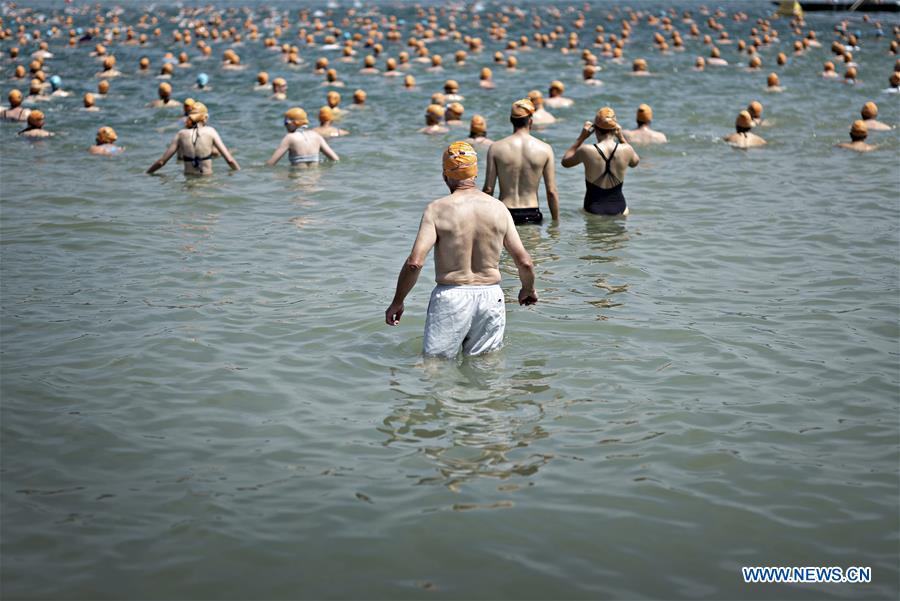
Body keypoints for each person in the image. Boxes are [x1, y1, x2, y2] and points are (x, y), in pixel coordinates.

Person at [384, 141, 537, 359]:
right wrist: (528, 289)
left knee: (436, 366)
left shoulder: (437, 209)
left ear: (445, 174)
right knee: (485, 367)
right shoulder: (499, 208)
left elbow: (414, 263)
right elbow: (525, 262)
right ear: (475, 173)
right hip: (491, 296)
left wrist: (398, 301)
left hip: (451, 295)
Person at [483, 99, 559, 224]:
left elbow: (488, 189)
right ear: (530, 120)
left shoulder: (496, 148)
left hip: (505, 212)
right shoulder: (545, 149)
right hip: (532, 212)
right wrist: (556, 223)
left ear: (511, 120)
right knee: (532, 244)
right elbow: (551, 191)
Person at [561, 107, 639, 216]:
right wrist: (621, 138)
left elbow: (565, 162)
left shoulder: (586, 150)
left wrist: (581, 137)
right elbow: (635, 162)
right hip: (620, 208)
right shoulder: (626, 149)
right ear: (615, 129)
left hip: (593, 209)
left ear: (595, 130)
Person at [146, 102, 240, 175]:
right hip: (207, 180)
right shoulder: (211, 131)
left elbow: (161, 162)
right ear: (205, 118)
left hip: (189, 182)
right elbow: (230, 160)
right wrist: (240, 172)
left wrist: (146, 173)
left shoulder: (181, 134)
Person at [267, 107, 339, 167]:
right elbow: (335, 159)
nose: (285, 125)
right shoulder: (316, 136)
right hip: (314, 182)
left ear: (293, 123)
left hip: (298, 182)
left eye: (286, 122)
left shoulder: (289, 138)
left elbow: (271, 164)